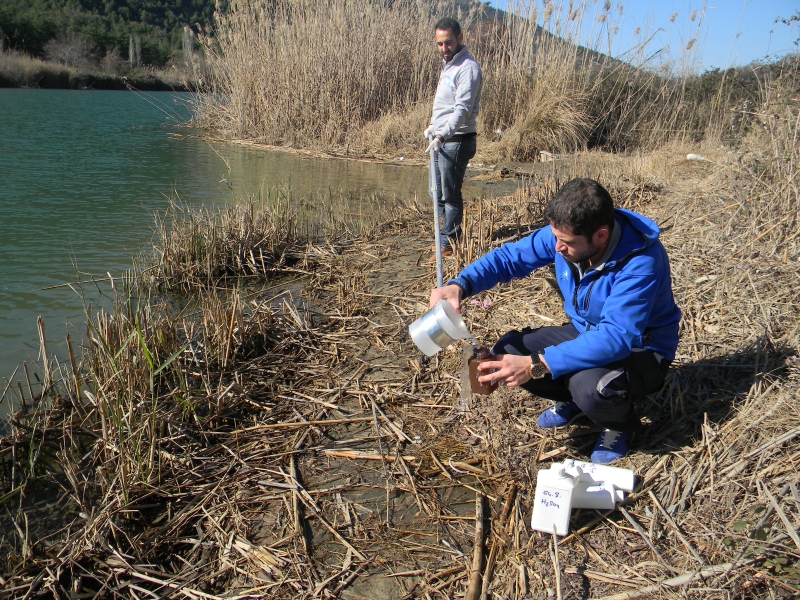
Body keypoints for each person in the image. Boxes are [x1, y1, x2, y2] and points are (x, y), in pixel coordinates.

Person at [429, 178, 681, 463]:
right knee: (510, 351)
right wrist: (460, 284)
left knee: (589, 386)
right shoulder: (566, 235)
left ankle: (620, 424)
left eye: (567, 242)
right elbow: (508, 258)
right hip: (587, 332)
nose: (557, 247)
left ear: (600, 236)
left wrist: (537, 363)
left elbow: (616, 338)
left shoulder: (640, 260)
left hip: (642, 349)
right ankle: (576, 402)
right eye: (555, 237)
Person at [424, 17, 482, 259]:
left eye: (448, 43)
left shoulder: (468, 67)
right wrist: (432, 126)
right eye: (439, 44)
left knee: (449, 194)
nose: (444, 49)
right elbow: (445, 106)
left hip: (457, 140)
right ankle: (443, 237)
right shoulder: (449, 65)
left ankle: (448, 244)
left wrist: (442, 134)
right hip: (441, 138)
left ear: (460, 38)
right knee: (435, 192)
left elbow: (462, 109)